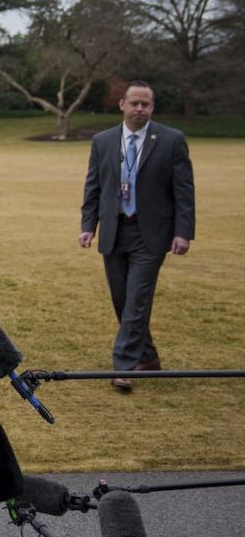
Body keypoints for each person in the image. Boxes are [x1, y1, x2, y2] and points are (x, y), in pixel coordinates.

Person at [79, 80, 195, 392]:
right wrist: (88, 225)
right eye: (135, 103)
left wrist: (183, 232)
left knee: (137, 300)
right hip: (114, 232)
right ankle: (148, 357)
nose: (140, 109)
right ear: (123, 105)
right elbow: (94, 186)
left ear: (152, 108)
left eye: (146, 104)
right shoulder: (103, 141)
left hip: (152, 235)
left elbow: (183, 190)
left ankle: (123, 366)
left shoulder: (171, 140)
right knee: (122, 301)